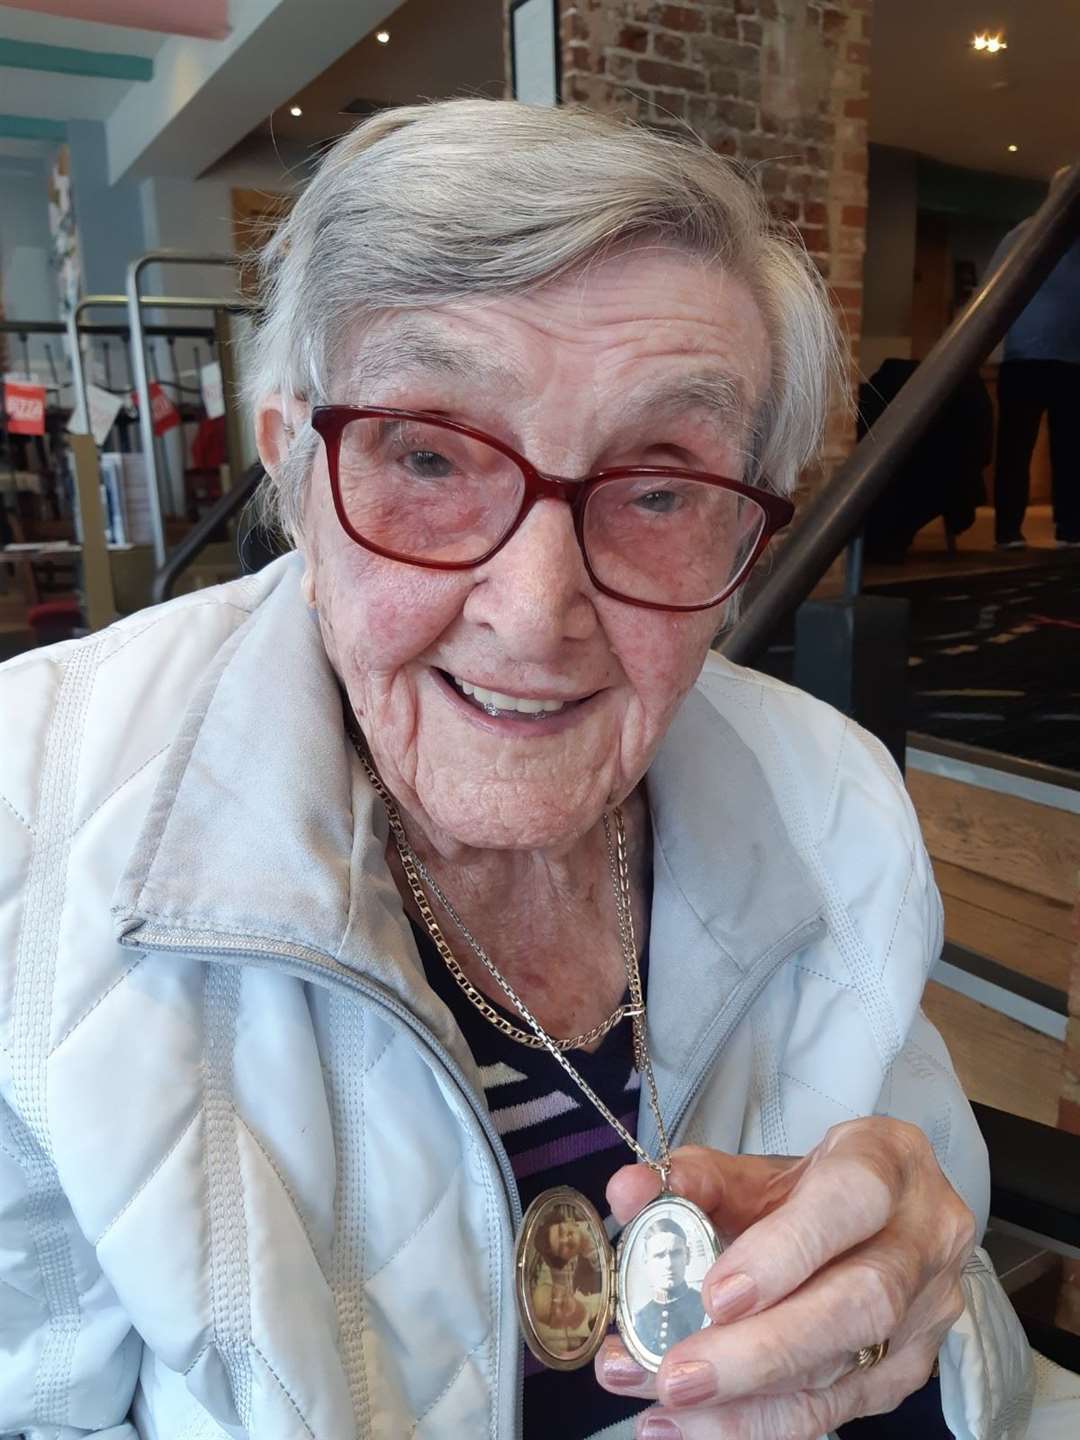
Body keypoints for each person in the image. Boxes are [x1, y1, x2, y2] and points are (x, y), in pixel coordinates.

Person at [0, 98, 1047, 1440]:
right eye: (430, 454)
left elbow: (968, 1356)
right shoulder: (32, 822)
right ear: (289, 471)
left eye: (660, 486)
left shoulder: (830, 805)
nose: (534, 609)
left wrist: (913, 1320)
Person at [987, 208, 1080, 548]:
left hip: (1071, 359)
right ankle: (1008, 531)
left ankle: (1071, 529)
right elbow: (992, 289)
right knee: (1015, 448)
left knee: (1071, 451)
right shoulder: (1023, 236)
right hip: (1024, 357)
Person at [632, 1218, 706, 1356]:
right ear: (646, 1260)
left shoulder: (703, 1306)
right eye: (659, 1256)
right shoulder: (642, 1317)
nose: (669, 1264)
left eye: (676, 1253)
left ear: (688, 1256)